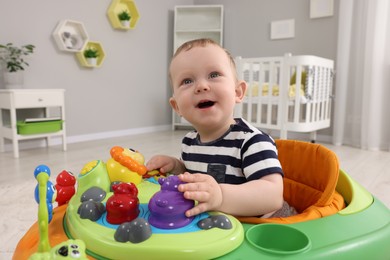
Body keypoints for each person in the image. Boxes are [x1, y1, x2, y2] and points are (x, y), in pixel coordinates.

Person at [146, 38, 295, 219]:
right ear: (177, 107)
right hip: (221, 224)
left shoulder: (252, 141)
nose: (201, 86)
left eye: (214, 75)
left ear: (237, 92)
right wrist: (177, 167)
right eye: (187, 81)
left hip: (266, 225)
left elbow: (272, 197)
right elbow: (196, 173)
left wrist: (221, 196)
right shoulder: (189, 142)